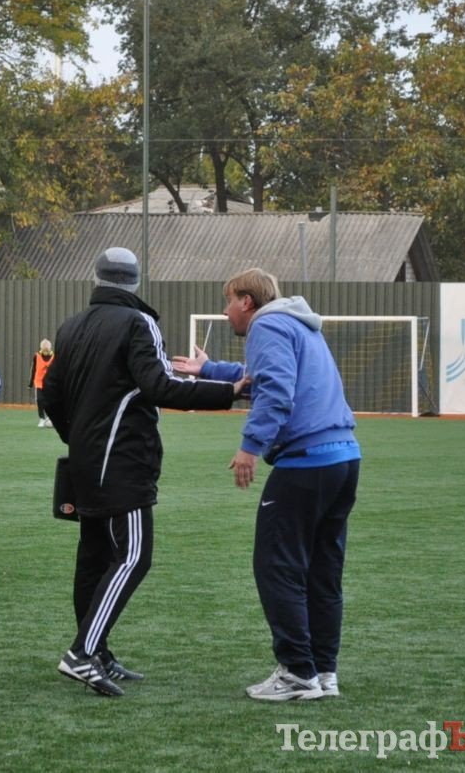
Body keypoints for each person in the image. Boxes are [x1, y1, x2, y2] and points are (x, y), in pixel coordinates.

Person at [42, 247, 246, 697]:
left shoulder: (71, 326)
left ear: (96, 277)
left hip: (85, 461)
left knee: (93, 560)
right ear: (136, 281)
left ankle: (97, 653)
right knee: (134, 556)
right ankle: (82, 653)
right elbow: (159, 386)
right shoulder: (139, 323)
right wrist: (230, 391)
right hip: (124, 462)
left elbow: (50, 395)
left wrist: (76, 440)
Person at [173, 268, 360, 701]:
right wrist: (210, 369)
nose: (225, 311)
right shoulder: (297, 323)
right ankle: (322, 672)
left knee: (277, 567)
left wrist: (249, 447)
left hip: (306, 464)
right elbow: (263, 373)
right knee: (322, 573)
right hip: (344, 458)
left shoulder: (267, 325)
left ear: (247, 302)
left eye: (229, 300)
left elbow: (275, 388)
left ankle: (297, 673)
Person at [28, 338, 55, 428]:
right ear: (41, 348)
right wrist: (30, 383)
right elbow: (33, 369)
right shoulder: (37, 356)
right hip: (39, 382)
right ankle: (42, 418)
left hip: (50, 383)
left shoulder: (54, 356)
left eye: (47, 349)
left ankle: (50, 418)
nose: (46, 351)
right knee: (40, 400)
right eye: (44, 349)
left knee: (50, 401)